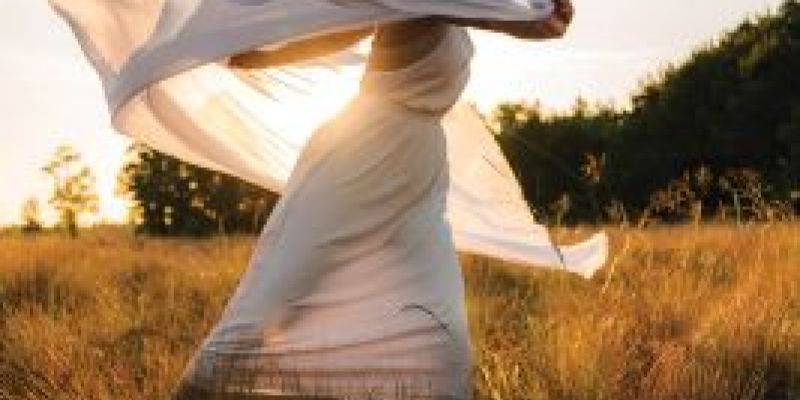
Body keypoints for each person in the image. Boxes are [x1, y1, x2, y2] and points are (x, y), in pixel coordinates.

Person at [173, 2, 575, 399]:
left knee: (438, 322)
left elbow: (339, 30)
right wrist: (528, 17)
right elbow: (477, 15)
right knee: (279, 298)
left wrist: (264, 56)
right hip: (360, 156)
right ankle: (200, 388)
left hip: (416, 172)